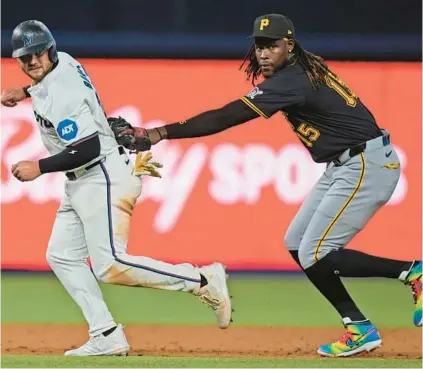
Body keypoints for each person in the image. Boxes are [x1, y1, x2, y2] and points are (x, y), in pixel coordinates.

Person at [110, 14, 422, 358]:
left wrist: (158, 132)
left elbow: (226, 116)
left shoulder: (292, 80)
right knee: (297, 244)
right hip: (347, 163)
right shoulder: (301, 69)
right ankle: (358, 327)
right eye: (259, 46)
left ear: (288, 45)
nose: (263, 53)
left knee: (314, 251)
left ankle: (413, 272)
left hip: (366, 164)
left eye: (271, 45)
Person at [1, 20, 232, 357]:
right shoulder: (61, 61)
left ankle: (201, 280)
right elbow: (47, 79)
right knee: (62, 255)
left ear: (49, 50)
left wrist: (39, 167)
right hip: (84, 179)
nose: (33, 61)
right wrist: (25, 90)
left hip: (101, 174)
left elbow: (88, 147)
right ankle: (106, 333)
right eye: (26, 57)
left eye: (39, 54)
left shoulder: (61, 93)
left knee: (110, 266)